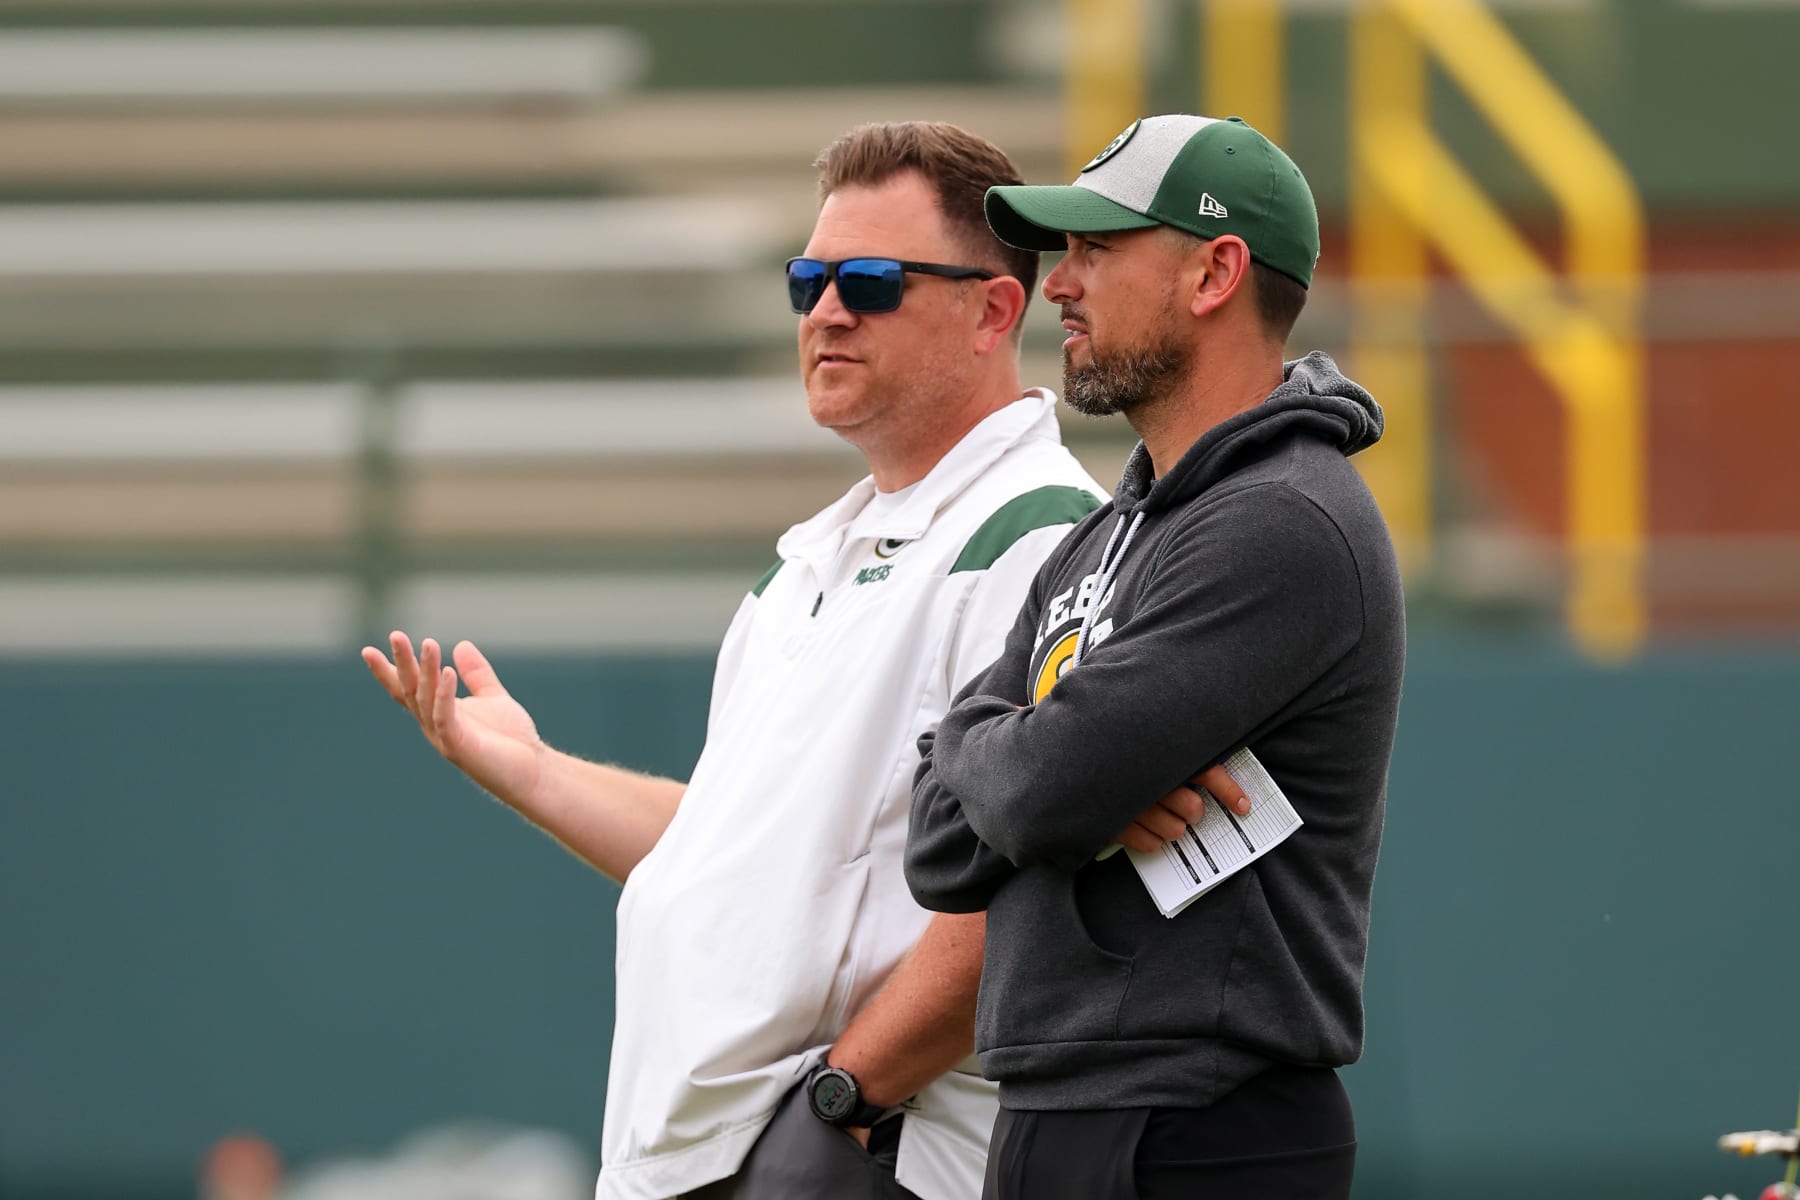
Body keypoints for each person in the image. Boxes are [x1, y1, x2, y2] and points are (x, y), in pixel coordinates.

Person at [361, 122, 1129, 1200]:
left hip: (854, 1158)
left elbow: (1041, 894)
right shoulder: (800, 571)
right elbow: (748, 866)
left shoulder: (1039, 541)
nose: (824, 312)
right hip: (729, 1158)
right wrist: (535, 771)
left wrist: (838, 1109)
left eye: (868, 281)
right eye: (807, 279)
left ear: (993, 310)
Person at [904, 114, 1407, 1200]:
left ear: (1215, 272)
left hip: (1202, 1126)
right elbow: (939, 846)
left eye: (1097, 249)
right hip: (1058, 1111)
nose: (1058, 286)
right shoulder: (1107, 531)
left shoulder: (1285, 519)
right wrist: (1032, 765)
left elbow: (1037, 794)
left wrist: (1034, 768)